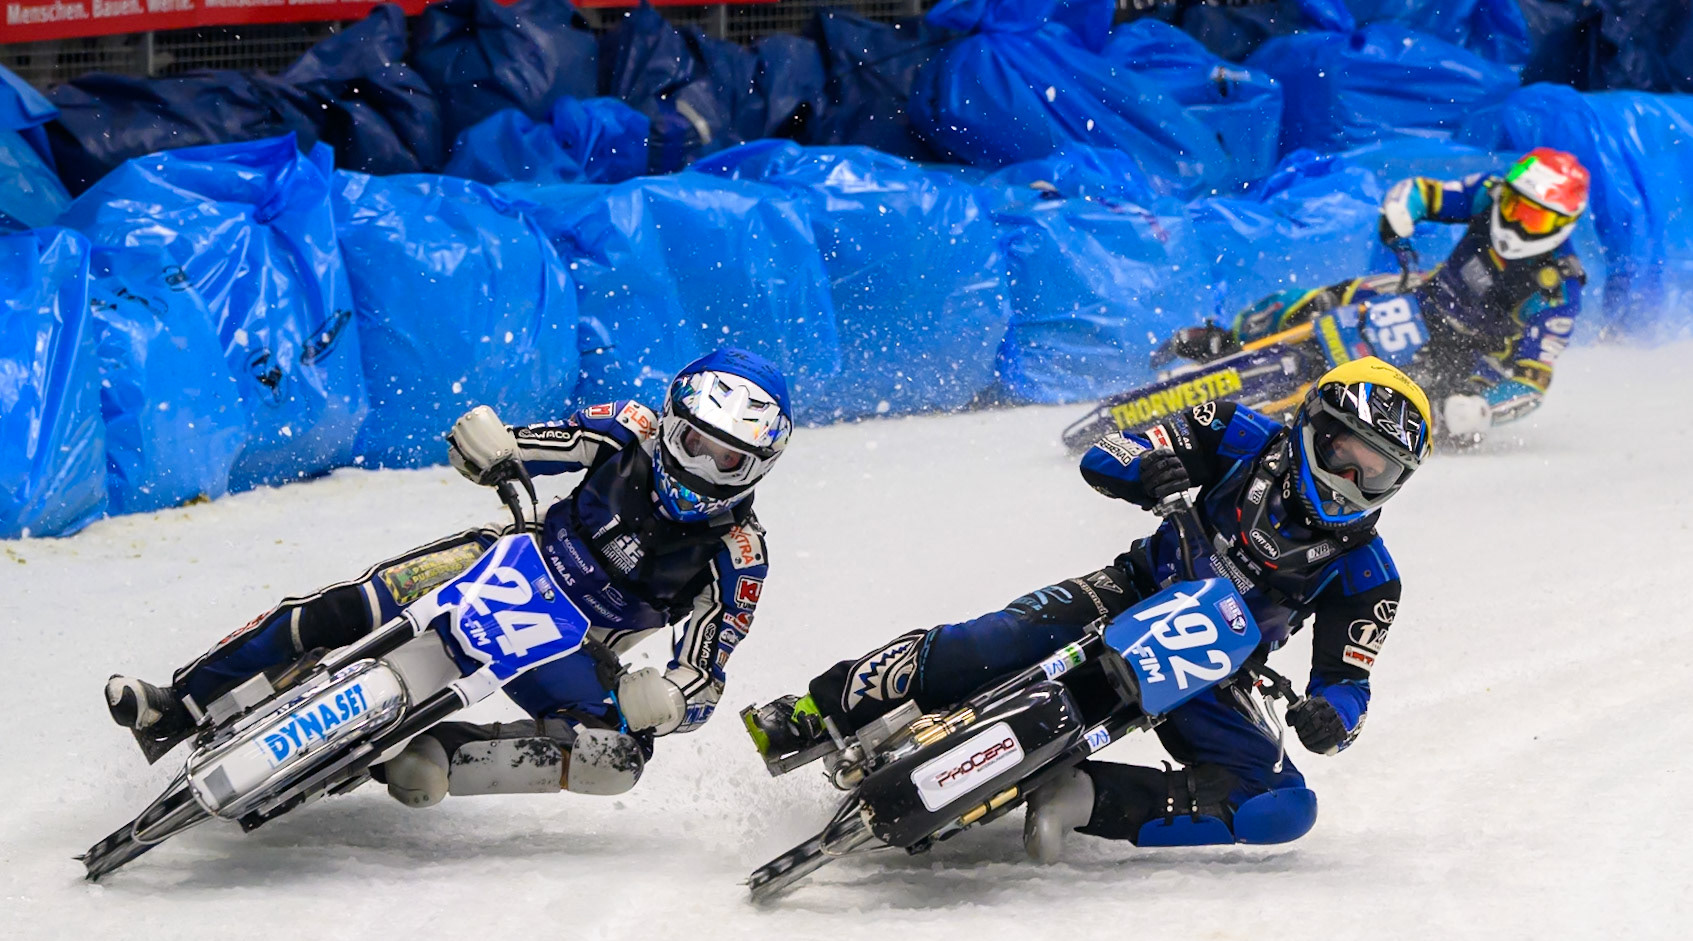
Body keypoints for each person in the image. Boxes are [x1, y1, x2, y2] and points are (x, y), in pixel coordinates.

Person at [746, 357, 1430, 862]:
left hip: (1216, 665)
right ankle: (817, 709)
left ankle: (1082, 798)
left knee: (1282, 807)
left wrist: (1327, 719)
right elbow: (1111, 452)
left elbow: (1349, 685)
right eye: (1347, 456)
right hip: (1133, 587)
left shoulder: (1369, 576)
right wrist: (1146, 472)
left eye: (1378, 473)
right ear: (1313, 426)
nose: (1352, 484)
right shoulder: (1236, 432)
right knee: (987, 643)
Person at [105, 347, 792, 806]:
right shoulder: (628, 429)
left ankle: (439, 753)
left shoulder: (738, 553)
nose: (702, 466)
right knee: (350, 605)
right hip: (504, 561)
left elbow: (707, 670)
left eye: (727, 460)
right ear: (671, 420)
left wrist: (669, 700)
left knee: (617, 759)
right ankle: (178, 703)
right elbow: (529, 444)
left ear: (758, 468)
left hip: (570, 647)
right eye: (696, 441)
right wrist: (491, 443)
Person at [1178, 148, 1589, 439]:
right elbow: (1426, 193)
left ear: (1562, 225)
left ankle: (1272, 429)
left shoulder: (1559, 292)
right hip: (1427, 297)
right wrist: (1401, 208)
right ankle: (1229, 339)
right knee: (1325, 297)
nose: (1515, 220)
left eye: (1533, 217)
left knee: (1389, 417)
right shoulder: (1490, 192)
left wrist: (1484, 410)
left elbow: (1531, 383)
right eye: (1515, 206)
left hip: (1470, 359)